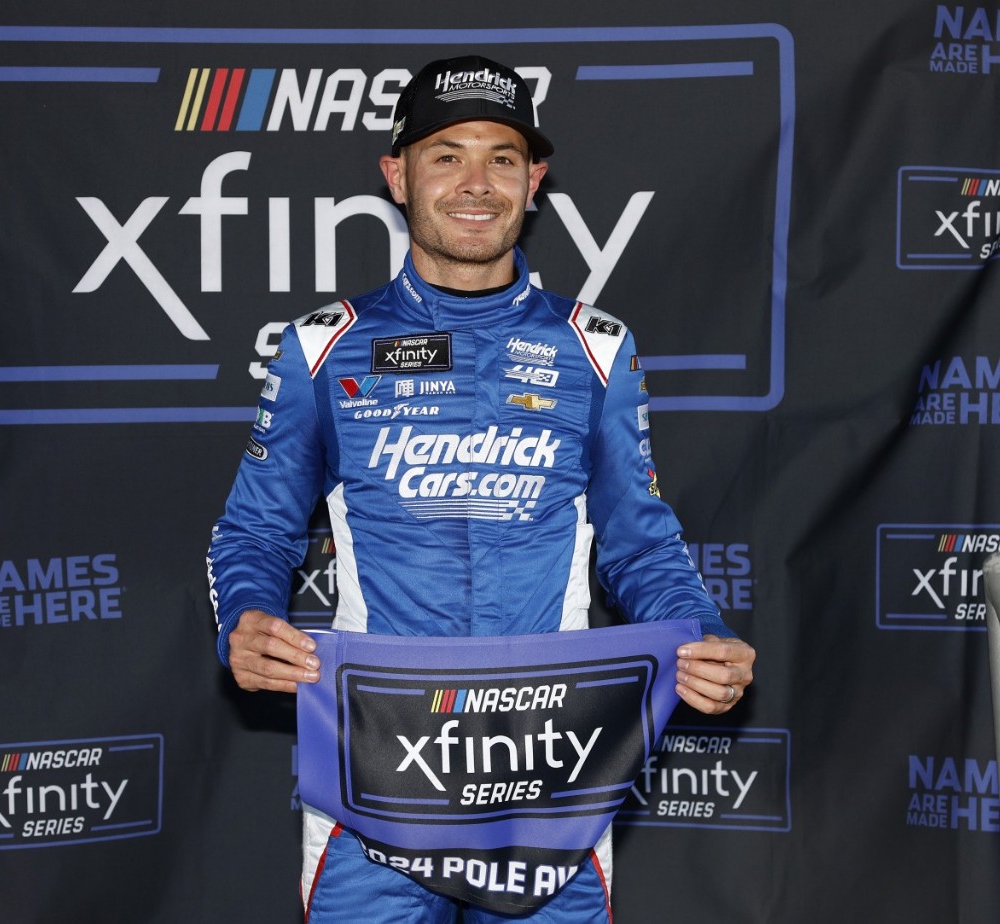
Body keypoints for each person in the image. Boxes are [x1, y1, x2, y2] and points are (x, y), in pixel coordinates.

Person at [207, 54, 756, 923]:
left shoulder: (597, 345)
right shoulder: (322, 346)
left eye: (502, 157)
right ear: (398, 175)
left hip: (552, 766)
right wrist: (244, 618)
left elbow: (640, 541)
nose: (476, 182)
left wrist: (704, 636)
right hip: (373, 763)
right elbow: (254, 532)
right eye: (445, 154)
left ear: (534, 180)